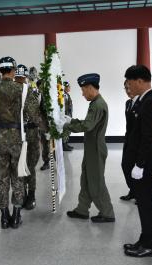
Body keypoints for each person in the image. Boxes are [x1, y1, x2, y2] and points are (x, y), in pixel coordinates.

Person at [122, 65, 152, 258]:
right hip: (141, 163)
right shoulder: (143, 101)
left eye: (130, 83)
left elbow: (149, 138)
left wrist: (140, 164)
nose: (129, 87)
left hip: (145, 165)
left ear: (140, 81)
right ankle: (144, 240)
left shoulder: (151, 102)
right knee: (144, 204)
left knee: (147, 204)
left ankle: (150, 245)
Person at [65, 73, 115, 223]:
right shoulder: (95, 103)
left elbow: (87, 125)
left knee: (96, 181)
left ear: (90, 87)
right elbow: (88, 122)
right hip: (91, 147)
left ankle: (107, 213)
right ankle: (82, 209)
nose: (82, 94)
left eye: (83, 90)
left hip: (95, 149)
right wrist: (72, 120)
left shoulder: (98, 105)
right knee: (86, 179)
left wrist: (67, 125)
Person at [0, 56, 24, 229]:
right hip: (17, 138)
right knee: (18, 177)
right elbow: (31, 114)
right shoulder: (21, 89)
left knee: (2, 179)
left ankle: (4, 217)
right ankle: (16, 216)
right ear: (12, 70)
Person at [14, 64, 41, 210]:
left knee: (24, 165)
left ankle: (27, 194)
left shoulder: (33, 90)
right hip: (23, 133)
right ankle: (27, 195)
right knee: (26, 165)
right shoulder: (21, 91)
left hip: (25, 133)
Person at [120, 80, 138, 201]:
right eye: (125, 88)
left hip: (139, 142)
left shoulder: (143, 103)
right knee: (126, 165)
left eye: (130, 87)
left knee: (139, 169)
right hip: (129, 139)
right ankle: (133, 190)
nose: (128, 90)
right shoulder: (128, 103)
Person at [63, 81, 74, 151]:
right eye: (68, 87)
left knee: (68, 130)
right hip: (65, 115)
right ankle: (64, 145)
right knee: (65, 130)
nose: (69, 88)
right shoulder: (63, 95)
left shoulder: (67, 95)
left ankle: (66, 143)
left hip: (68, 115)